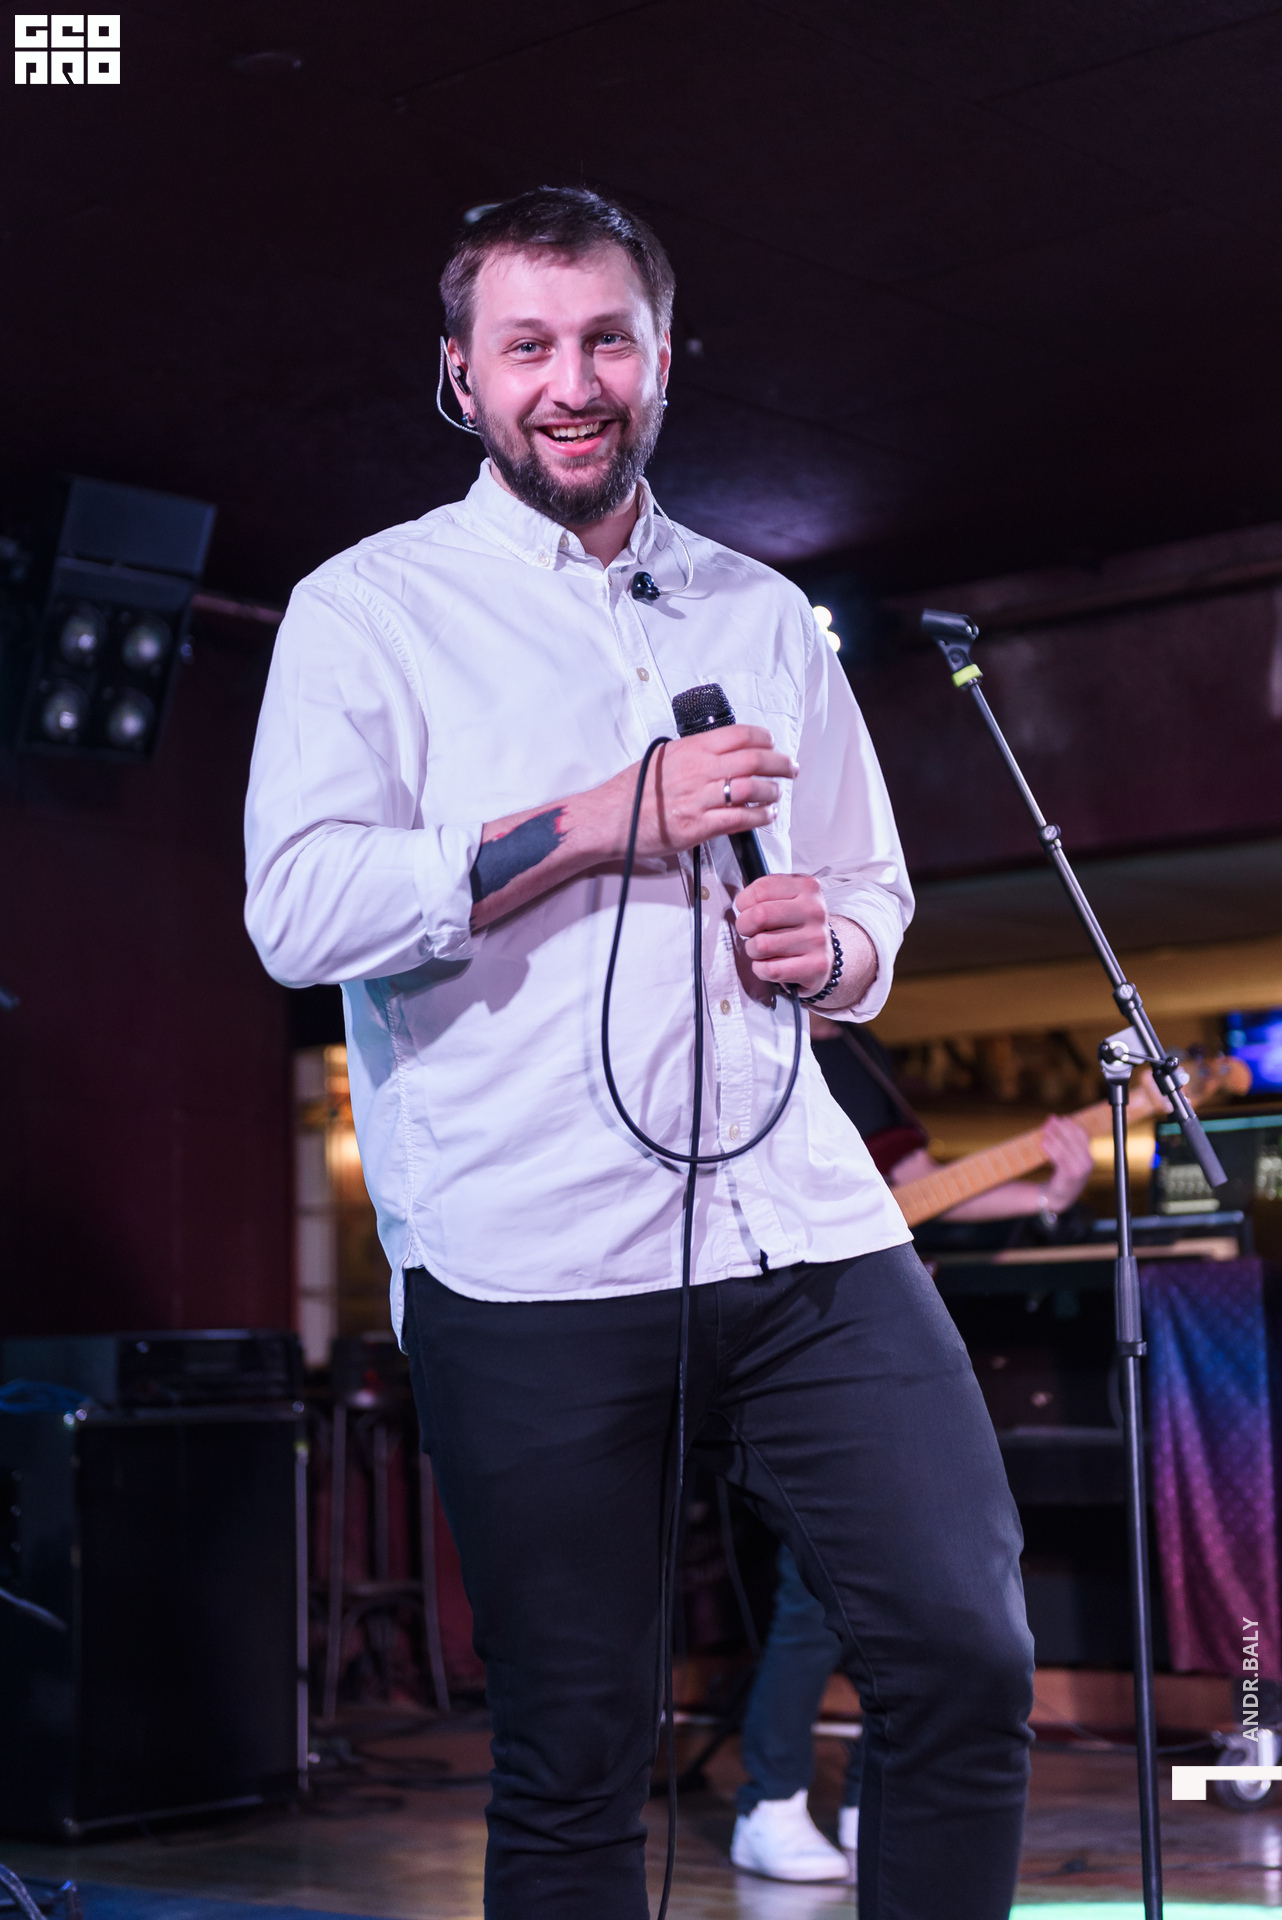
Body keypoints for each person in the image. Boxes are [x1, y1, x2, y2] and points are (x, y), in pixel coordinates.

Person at [244, 187, 1034, 1920]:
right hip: (529, 1260)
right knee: (575, 1758)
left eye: (607, 340)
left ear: (663, 359)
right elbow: (298, 914)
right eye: (526, 345)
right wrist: (601, 819)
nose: (571, 381)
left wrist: (833, 950)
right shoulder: (366, 610)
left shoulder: (761, 610)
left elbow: (870, 891)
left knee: (967, 1659)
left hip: (803, 1230)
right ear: (460, 375)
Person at [730, 1016, 1095, 1883]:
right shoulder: (750, 1036)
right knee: (811, 1596)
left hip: (873, 1329)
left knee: (911, 1587)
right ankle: (768, 1802)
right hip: (786, 1328)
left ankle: (873, 1800)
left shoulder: (861, 1052)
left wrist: (1047, 1194)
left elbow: (918, 1185)